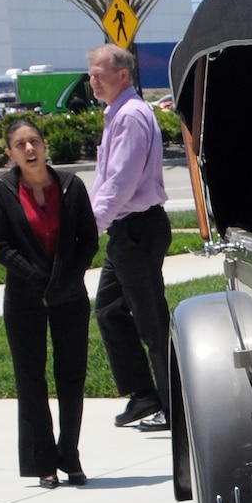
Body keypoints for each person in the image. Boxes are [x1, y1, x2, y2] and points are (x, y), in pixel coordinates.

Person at [0, 117, 99, 488]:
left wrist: (64, 279)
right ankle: (43, 463)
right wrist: (38, 278)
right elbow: (0, 247)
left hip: (70, 296)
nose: (29, 150)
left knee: (72, 377)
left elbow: (89, 240)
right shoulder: (2, 191)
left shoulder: (71, 187)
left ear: (45, 144)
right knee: (31, 380)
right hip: (23, 300)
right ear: (10, 153)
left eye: (34, 141)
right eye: (20, 145)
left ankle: (71, 455)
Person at [87, 44, 173, 433]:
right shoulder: (117, 114)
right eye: (91, 73)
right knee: (108, 309)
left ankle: (174, 407)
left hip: (138, 227)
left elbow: (121, 181)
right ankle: (143, 394)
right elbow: (106, 179)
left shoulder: (131, 116)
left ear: (122, 75)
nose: (92, 80)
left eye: (98, 73)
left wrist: (92, 226)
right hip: (126, 230)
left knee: (152, 321)